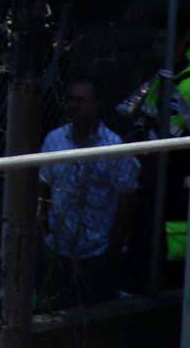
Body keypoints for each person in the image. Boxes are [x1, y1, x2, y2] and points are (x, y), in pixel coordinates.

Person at [39, 75, 139, 306]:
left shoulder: (114, 148)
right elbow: (43, 186)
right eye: (70, 99)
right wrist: (44, 230)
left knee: (94, 312)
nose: (73, 105)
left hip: (98, 252)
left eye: (81, 100)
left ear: (97, 104)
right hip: (58, 248)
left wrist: (111, 249)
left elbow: (128, 200)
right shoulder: (54, 140)